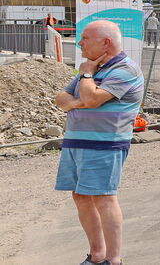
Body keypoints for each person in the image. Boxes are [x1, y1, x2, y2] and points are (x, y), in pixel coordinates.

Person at [53, 21, 144, 265]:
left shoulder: (125, 69)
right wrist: (79, 97)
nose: (80, 42)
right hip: (76, 143)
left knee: (103, 197)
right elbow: (60, 98)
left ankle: (112, 260)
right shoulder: (93, 69)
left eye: (85, 38)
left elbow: (91, 99)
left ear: (106, 42)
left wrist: (85, 78)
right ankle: (96, 255)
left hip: (104, 145)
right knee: (81, 196)